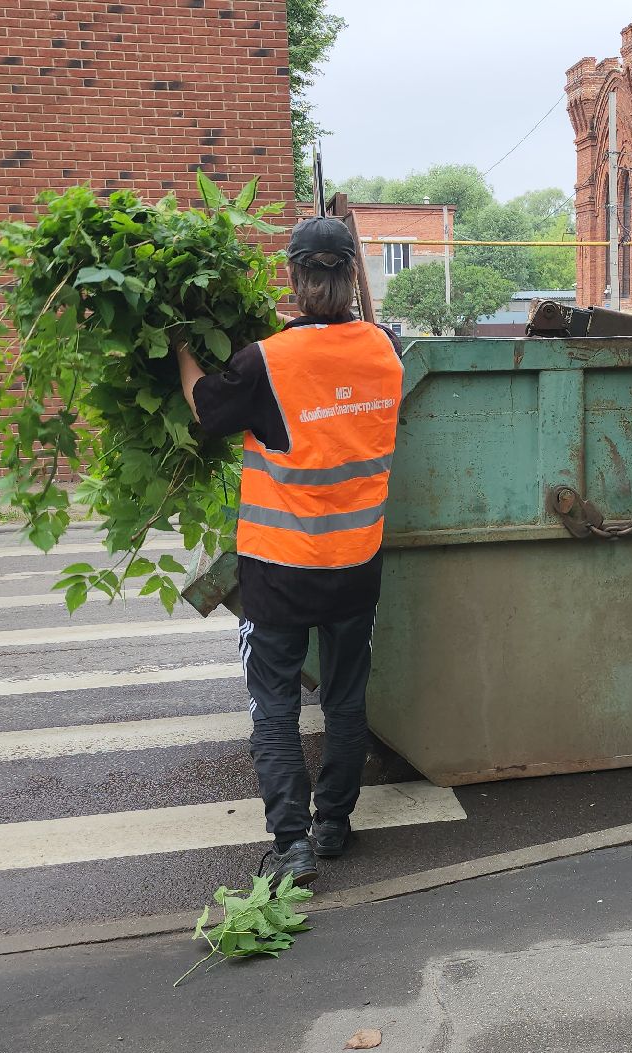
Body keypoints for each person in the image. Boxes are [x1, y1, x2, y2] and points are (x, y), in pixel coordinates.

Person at [177, 217, 402, 884]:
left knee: (273, 705)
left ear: (296, 279)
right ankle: (333, 824)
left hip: (279, 572)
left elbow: (205, 409)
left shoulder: (264, 359)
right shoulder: (386, 350)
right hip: (356, 565)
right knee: (345, 699)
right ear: (353, 276)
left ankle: (292, 844)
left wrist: (180, 349)